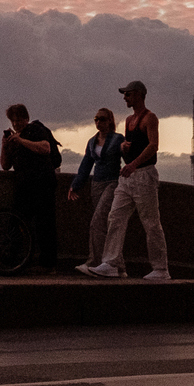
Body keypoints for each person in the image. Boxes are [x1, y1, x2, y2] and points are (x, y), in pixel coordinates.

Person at [79, 79, 170, 281]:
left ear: (138, 94)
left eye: (128, 94)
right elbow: (135, 143)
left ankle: (161, 269)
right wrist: (124, 148)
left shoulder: (150, 118)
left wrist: (133, 163)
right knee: (115, 216)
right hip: (128, 178)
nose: (124, 98)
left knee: (151, 222)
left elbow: (153, 146)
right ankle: (110, 264)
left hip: (144, 175)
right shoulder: (129, 120)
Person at [0, 104, 61, 271]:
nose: (16, 124)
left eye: (19, 120)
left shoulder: (36, 130)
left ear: (26, 119)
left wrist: (21, 141)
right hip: (24, 186)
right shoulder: (14, 139)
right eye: (13, 121)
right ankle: (14, 259)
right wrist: (5, 146)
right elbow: (5, 165)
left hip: (42, 184)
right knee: (15, 222)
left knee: (44, 225)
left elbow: (45, 148)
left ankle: (48, 264)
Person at [67, 109, 124, 274]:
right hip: (96, 184)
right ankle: (119, 266)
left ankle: (95, 261)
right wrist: (75, 185)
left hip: (112, 183)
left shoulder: (117, 139)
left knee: (97, 223)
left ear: (110, 121)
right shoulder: (92, 141)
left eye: (102, 119)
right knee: (107, 225)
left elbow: (128, 157)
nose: (99, 122)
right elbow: (86, 165)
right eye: (96, 119)